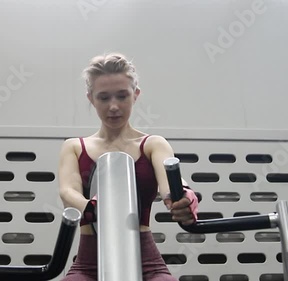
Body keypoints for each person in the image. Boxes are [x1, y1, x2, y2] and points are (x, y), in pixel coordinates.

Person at [58, 53, 198, 281]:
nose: (114, 106)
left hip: (146, 263)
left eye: (122, 96)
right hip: (88, 264)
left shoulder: (153, 144)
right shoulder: (74, 147)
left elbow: (171, 185)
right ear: (91, 98)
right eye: (103, 98)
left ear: (136, 95)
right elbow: (67, 192)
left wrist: (186, 198)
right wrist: (95, 208)